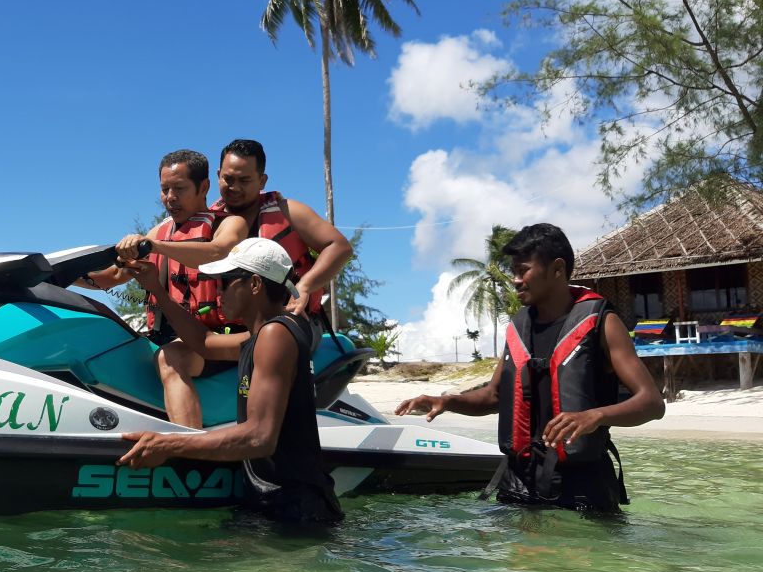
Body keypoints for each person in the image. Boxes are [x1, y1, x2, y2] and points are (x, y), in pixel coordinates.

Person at [394, 223, 665, 512]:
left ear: (557, 269)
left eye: (523, 270)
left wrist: (594, 416)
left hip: (582, 487)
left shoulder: (603, 323)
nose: (515, 280)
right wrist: (446, 401)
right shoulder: (519, 327)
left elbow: (652, 403)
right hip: (519, 483)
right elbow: (495, 396)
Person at [120, 238, 343, 525]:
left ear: (254, 284)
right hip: (271, 506)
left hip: (295, 513)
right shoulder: (260, 336)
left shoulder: (276, 336)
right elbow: (203, 341)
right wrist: (157, 291)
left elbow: (259, 437)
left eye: (225, 282)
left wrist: (168, 445)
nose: (217, 292)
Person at [77, 149, 247, 427]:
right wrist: (58, 275)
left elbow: (218, 251)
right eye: (165, 189)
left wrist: (153, 246)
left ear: (203, 187)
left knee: (170, 357)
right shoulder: (159, 233)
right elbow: (110, 278)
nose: (170, 197)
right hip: (176, 337)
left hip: (219, 341)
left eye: (179, 188)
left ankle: (189, 447)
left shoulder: (229, 224)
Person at [211, 139, 353, 323]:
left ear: (262, 181)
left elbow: (340, 247)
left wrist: (305, 286)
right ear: (218, 175)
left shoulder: (289, 211)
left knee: (270, 339)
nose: (235, 187)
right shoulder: (207, 222)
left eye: (245, 180)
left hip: (290, 321)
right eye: (228, 179)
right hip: (228, 328)